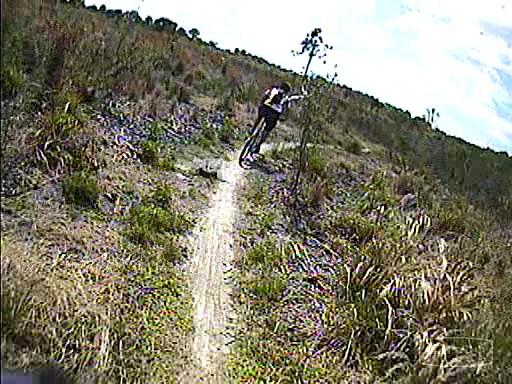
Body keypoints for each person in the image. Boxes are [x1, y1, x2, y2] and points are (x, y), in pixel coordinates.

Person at [248, 81, 306, 160]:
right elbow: (286, 107)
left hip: (265, 107)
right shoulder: (286, 97)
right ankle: (258, 145)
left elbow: (265, 96)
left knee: (259, 118)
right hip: (274, 113)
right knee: (267, 130)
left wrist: (262, 105)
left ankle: (251, 132)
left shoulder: (274, 89)